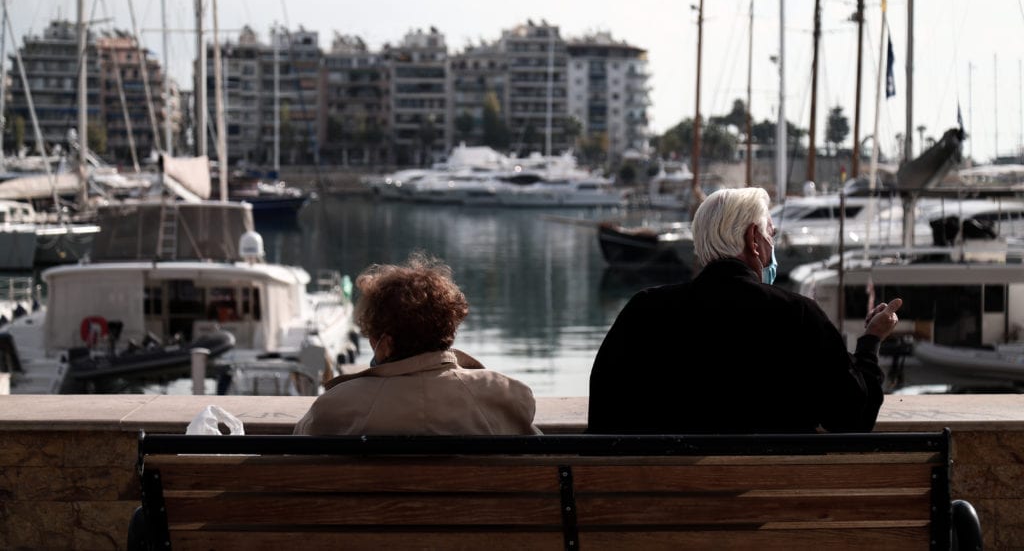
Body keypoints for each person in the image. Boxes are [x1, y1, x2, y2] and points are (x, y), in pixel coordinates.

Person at [587, 186, 902, 435]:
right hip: (772, 509)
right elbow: (854, 419)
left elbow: (603, 420)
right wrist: (871, 341)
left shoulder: (643, 312)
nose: (772, 248)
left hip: (659, 510)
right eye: (771, 236)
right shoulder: (798, 315)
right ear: (754, 239)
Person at [294, 253, 538, 435]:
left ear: (385, 344)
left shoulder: (336, 407)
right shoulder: (506, 396)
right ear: (448, 330)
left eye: (371, 336)